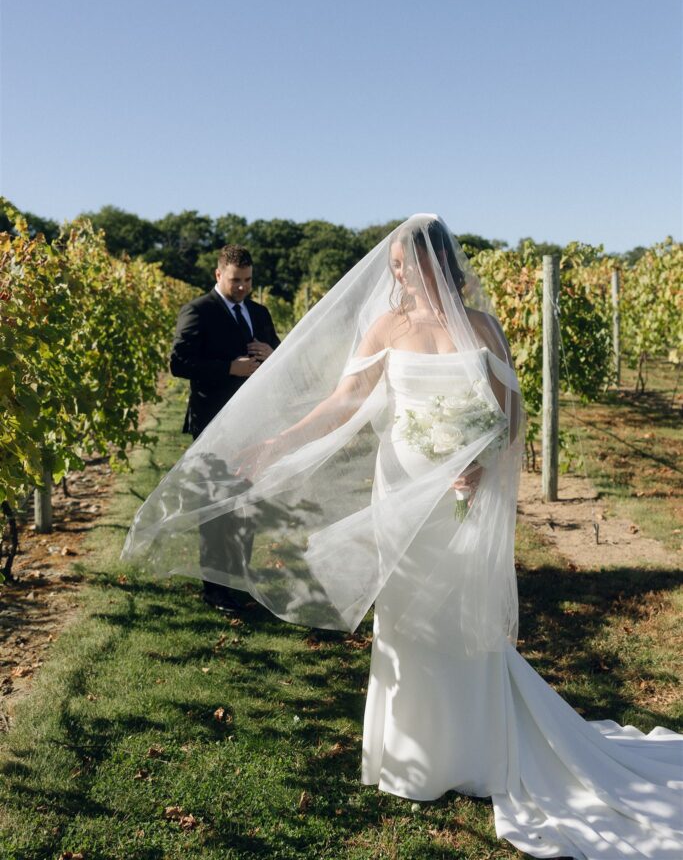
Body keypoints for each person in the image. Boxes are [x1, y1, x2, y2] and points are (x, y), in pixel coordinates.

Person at [123, 216, 682, 858]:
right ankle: (414, 758)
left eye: (403, 262)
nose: (394, 273)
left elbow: (509, 409)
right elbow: (345, 400)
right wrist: (279, 441)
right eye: (390, 264)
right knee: (410, 615)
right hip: (402, 489)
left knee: (461, 618)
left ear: (434, 262)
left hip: (461, 499)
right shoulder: (388, 326)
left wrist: (484, 459)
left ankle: (474, 753)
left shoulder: (481, 327)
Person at [168, 244, 280, 609]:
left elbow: (280, 357)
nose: (243, 288)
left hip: (253, 424)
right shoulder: (198, 311)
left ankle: (239, 577)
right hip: (214, 423)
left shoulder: (260, 313)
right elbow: (179, 363)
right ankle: (215, 588)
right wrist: (229, 368)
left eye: (248, 280)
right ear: (218, 275)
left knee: (245, 502)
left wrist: (271, 353)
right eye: (236, 281)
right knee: (215, 506)